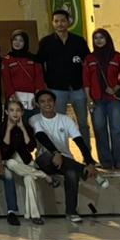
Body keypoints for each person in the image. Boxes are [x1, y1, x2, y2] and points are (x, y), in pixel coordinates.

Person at [30, 90, 99, 223]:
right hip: (45, 161)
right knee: (48, 155)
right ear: (38, 105)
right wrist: (56, 153)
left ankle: (71, 212)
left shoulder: (65, 119)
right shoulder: (35, 119)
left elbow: (79, 141)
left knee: (72, 174)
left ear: (55, 102)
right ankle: (83, 170)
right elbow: (41, 136)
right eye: (43, 102)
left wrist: (89, 161)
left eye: (49, 100)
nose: (47, 104)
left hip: (65, 161)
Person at [37, 9, 91, 148]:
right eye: (56, 21)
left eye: (63, 21)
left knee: (83, 123)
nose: (60, 24)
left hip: (77, 87)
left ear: (68, 22)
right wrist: (44, 85)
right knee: (58, 122)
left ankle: (87, 154)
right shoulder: (46, 42)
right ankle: (62, 153)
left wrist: (87, 85)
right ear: (52, 23)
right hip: (56, 88)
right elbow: (39, 65)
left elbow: (87, 63)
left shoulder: (79, 41)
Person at [83, 28, 120, 170]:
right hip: (96, 100)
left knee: (118, 129)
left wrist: (115, 88)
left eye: (101, 37)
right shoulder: (89, 59)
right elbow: (86, 81)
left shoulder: (117, 57)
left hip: (114, 99)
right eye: (96, 38)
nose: (98, 40)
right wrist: (88, 99)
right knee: (99, 130)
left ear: (107, 39)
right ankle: (106, 161)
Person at [0, 99, 49, 225]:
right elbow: (3, 150)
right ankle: (43, 175)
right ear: (7, 112)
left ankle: (35, 215)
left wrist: (22, 129)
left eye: (18, 110)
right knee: (10, 163)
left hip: (25, 162)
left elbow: (31, 147)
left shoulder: (27, 127)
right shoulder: (1, 127)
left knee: (29, 179)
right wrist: (9, 130)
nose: (15, 113)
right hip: (10, 162)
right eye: (11, 110)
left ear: (22, 112)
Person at [1, 31, 45, 119]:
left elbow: (39, 78)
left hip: (32, 99)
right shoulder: (7, 59)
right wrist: (13, 96)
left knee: (33, 123)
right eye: (15, 40)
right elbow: (6, 80)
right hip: (15, 98)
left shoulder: (34, 58)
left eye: (21, 40)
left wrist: (37, 95)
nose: (17, 43)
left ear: (25, 43)